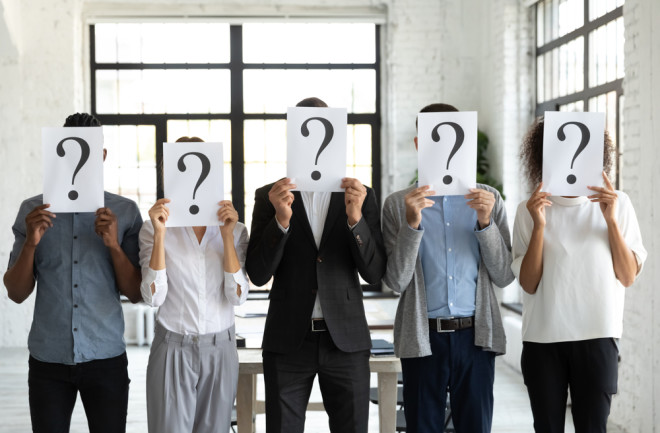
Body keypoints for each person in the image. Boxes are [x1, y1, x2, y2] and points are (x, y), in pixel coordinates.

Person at [246, 97, 387, 433]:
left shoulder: (359, 194)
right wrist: (280, 222)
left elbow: (374, 272)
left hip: (347, 341)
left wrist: (356, 222)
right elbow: (258, 273)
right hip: (287, 341)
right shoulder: (269, 195)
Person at [3, 112, 142, 433]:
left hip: (105, 356)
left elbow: (136, 293)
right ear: (58, 153)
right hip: (48, 359)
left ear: (102, 155)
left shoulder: (125, 212)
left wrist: (113, 245)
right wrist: (31, 243)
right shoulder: (31, 211)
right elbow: (16, 292)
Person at [381, 103, 514, 433]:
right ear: (418, 144)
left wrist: (485, 223)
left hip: (476, 336)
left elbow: (504, 274)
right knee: (422, 426)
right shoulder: (398, 204)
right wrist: (412, 225)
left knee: (476, 426)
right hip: (422, 335)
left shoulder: (489, 199)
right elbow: (395, 282)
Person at [512, 119, 647, 433]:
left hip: (597, 336)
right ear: (542, 159)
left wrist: (611, 220)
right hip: (542, 341)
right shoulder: (528, 211)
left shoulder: (619, 205)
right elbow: (529, 283)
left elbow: (627, 276)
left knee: (593, 427)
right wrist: (540, 225)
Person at [138, 136, 249, 433]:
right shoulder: (152, 228)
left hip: (221, 347)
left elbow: (237, 296)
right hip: (172, 346)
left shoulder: (235, 229)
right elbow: (153, 297)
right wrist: (161, 234)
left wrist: (226, 237)